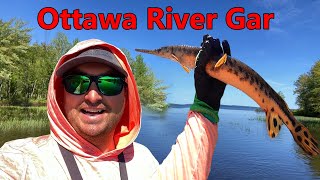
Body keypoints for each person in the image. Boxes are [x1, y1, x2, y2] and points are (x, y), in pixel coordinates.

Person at [0, 35, 231, 179]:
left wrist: (206, 106)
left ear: (126, 96)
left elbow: (181, 174)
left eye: (109, 84)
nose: (92, 96)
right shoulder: (18, 159)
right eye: (77, 83)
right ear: (60, 94)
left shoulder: (141, 158)